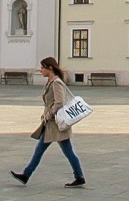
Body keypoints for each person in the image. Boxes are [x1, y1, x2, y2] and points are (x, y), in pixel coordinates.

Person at [10, 56, 86, 187]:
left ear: (50, 68)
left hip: (56, 124)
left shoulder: (56, 83)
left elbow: (59, 102)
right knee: (42, 149)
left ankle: (79, 176)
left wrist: (48, 115)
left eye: (43, 68)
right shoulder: (50, 82)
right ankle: (26, 175)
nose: (41, 70)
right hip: (51, 124)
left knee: (66, 151)